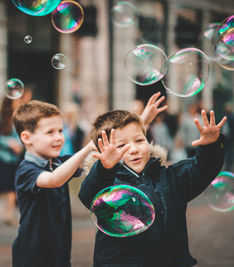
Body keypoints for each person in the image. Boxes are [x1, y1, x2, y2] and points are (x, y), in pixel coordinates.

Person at [11, 92, 166, 267]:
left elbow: (102, 155)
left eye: (61, 130)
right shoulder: (26, 170)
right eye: (50, 132)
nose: (58, 137)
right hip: (31, 255)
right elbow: (55, 179)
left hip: (58, 251)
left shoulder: (57, 163)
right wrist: (87, 148)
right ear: (26, 138)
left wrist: (142, 121)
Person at [78, 109, 227, 266]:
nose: (134, 149)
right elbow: (88, 195)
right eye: (122, 145)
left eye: (139, 141)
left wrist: (210, 146)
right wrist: (104, 169)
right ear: (104, 152)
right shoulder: (106, 185)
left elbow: (201, 170)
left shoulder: (170, 177)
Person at [0, 96, 24, 226]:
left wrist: (20, 145)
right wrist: (9, 143)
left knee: (12, 187)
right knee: (1, 187)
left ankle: (8, 216)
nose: (19, 102)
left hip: (14, 158)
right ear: (9, 102)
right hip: (2, 157)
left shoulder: (20, 118)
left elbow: (22, 136)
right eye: (17, 100)